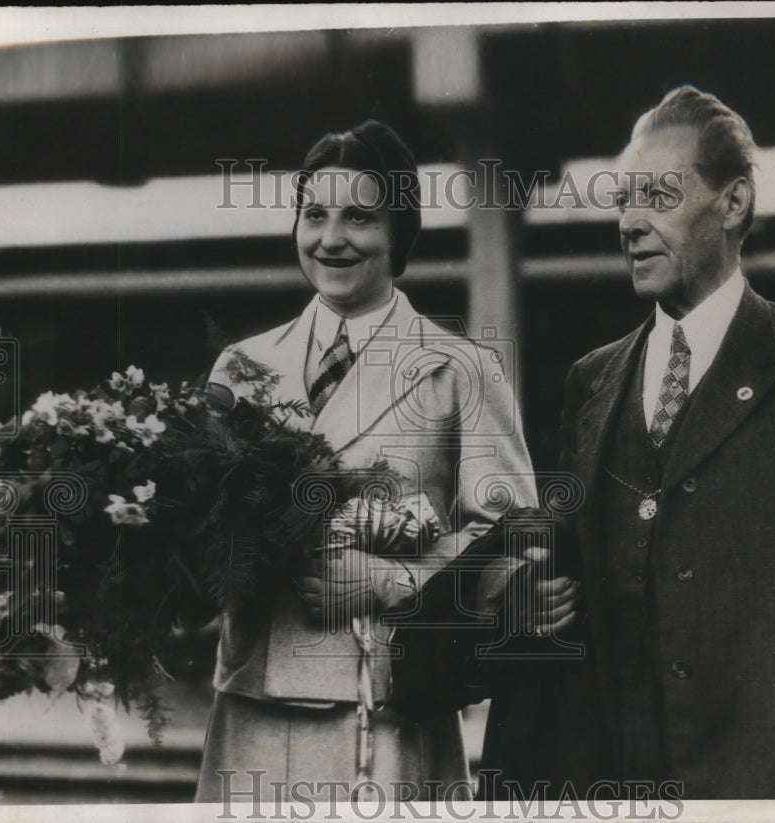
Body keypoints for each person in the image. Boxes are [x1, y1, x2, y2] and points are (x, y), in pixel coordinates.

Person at [483, 86, 775, 799]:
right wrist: (510, 594)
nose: (630, 223)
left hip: (766, 787)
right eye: (622, 200)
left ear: (732, 204)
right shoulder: (592, 380)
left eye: (657, 195)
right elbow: (560, 565)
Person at [194, 120, 538, 803]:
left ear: (399, 230)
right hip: (253, 699)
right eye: (315, 214)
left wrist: (394, 579)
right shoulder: (241, 367)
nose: (331, 238)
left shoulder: (459, 369)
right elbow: (200, 530)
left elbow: (511, 541)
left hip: (385, 708)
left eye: (360, 217)